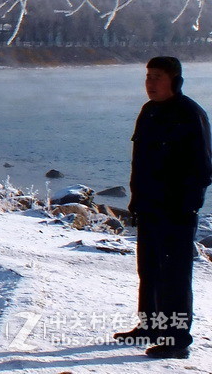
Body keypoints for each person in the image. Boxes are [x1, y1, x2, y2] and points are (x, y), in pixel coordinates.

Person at [112, 56, 211, 359]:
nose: (150, 83)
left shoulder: (191, 114)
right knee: (150, 271)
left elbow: (204, 168)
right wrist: (136, 202)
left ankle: (176, 341)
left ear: (175, 80)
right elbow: (140, 163)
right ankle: (149, 328)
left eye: (157, 77)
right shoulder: (149, 112)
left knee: (175, 277)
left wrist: (186, 207)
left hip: (177, 212)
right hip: (149, 207)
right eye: (148, 77)